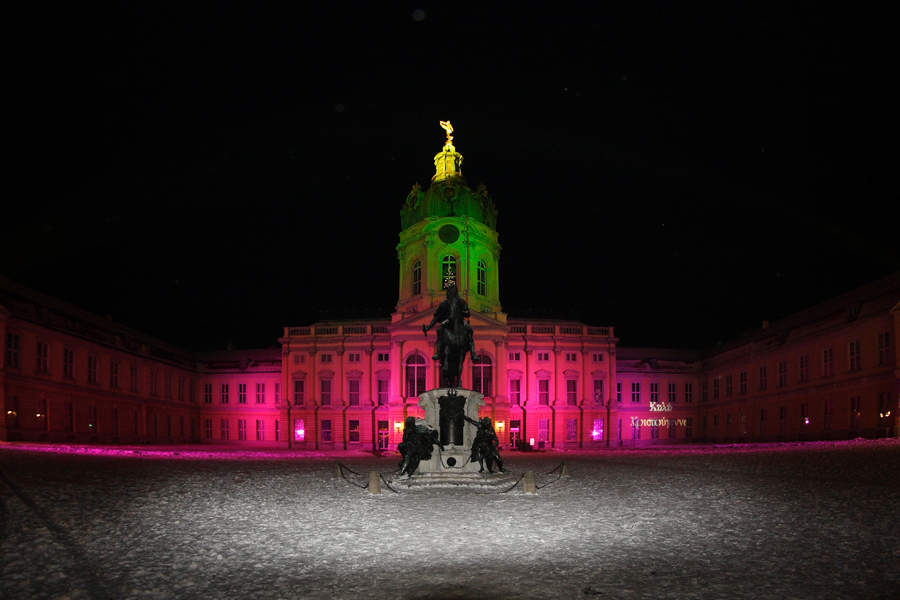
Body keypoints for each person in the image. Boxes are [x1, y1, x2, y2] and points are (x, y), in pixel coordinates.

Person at [422, 284, 478, 363]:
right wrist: (428, 327)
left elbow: (467, 314)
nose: (449, 294)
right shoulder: (445, 303)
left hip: (460, 320)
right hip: (448, 320)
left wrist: (462, 312)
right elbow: (437, 316)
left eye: (451, 293)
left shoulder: (461, 302)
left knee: (470, 331)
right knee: (440, 329)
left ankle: (473, 354)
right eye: (449, 293)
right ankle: (438, 352)